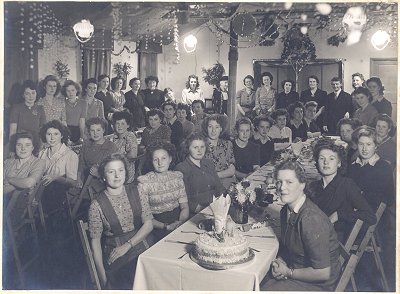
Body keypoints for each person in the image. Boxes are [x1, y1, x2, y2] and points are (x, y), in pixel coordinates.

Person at [261, 160, 341, 291]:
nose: (282, 187)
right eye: (279, 182)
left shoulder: (311, 219)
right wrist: (281, 260)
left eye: (289, 182)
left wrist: (288, 272)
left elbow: (323, 273)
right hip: (296, 268)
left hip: (317, 284)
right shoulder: (285, 211)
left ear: (302, 184)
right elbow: (289, 246)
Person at [88, 153, 154, 289]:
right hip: (116, 255)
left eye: (120, 170)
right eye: (111, 172)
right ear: (103, 177)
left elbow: (148, 224)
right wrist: (103, 279)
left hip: (144, 243)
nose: (117, 176)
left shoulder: (138, 190)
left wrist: (128, 245)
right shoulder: (96, 204)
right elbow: (95, 244)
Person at [347, 127, 395, 289]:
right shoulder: (353, 167)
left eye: (369, 144)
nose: (365, 148)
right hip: (357, 214)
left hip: (374, 221)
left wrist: (358, 196)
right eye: (361, 144)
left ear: (376, 146)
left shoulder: (383, 167)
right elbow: (350, 191)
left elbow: (387, 198)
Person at [307, 139, 376, 242]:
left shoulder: (347, 185)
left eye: (331, 159)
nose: (326, 162)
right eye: (322, 158)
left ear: (339, 163)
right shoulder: (314, 186)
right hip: (313, 235)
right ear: (317, 162)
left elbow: (370, 216)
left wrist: (340, 214)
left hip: (334, 240)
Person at [138, 141, 189, 241]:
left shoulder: (177, 177)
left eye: (163, 158)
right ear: (151, 162)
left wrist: (180, 222)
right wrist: (166, 227)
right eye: (155, 159)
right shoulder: (144, 182)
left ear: (170, 159)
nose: (160, 163)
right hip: (156, 226)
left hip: (179, 219)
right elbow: (146, 218)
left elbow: (184, 206)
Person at [175, 133, 225, 215]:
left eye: (202, 147)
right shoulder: (181, 168)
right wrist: (203, 211)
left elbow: (219, 187)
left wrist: (225, 201)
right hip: (197, 212)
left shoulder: (209, 163)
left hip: (216, 206)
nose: (200, 150)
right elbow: (186, 200)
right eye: (195, 147)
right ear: (188, 149)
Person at [3, 132, 46, 225]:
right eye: (19, 145)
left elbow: (29, 183)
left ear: (33, 147)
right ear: (15, 147)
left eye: (27, 145)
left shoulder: (39, 163)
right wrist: (18, 183)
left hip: (14, 211)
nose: (23, 148)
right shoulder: (8, 162)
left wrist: (9, 179)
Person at [37, 120, 79, 214]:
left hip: (59, 194)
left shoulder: (70, 155)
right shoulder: (42, 153)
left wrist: (56, 177)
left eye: (56, 134)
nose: (52, 138)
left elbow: (73, 182)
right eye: (49, 134)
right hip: (41, 190)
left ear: (62, 135)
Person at [78, 117, 119, 187]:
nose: (95, 133)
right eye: (92, 130)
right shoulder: (86, 144)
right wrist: (78, 178)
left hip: (103, 184)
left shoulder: (111, 147)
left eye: (98, 130)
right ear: (89, 132)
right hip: (84, 180)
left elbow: (115, 171)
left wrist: (99, 174)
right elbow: (81, 163)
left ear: (103, 130)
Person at [9, 80, 46, 153]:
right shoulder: (16, 108)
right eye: (27, 93)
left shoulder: (40, 109)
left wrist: (43, 146)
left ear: (36, 94)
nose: (31, 96)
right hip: (21, 145)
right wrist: (12, 150)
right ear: (23, 95)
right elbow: (12, 131)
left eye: (33, 93)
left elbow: (43, 129)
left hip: (35, 144)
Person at [202, 114, 236, 188]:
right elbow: (203, 175)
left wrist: (215, 175)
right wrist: (225, 173)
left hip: (228, 185)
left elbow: (232, 170)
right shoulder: (201, 146)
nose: (213, 130)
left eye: (217, 127)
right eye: (210, 127)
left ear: (221, 129)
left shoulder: (228, 144)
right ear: (206, 128)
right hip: (209, 186)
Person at [110, 112, 138, 183]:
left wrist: (119, 158)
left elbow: (133, 155)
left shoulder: (130, 136)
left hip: (126, 171)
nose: (119, 126)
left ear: (128, 125)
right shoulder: (114, 138)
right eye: (117, 123)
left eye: (122, 124)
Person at [62, 80, 87, 144]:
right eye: (68, 91)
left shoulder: (83, 103)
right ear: (65, 92)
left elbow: (82, 120)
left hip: (78, 129)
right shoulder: (62, 104)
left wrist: (82, 135)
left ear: (77, 90)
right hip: (66, 129)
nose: (71, 93)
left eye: (73, 90)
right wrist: (66, 136)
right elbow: (63, 120)